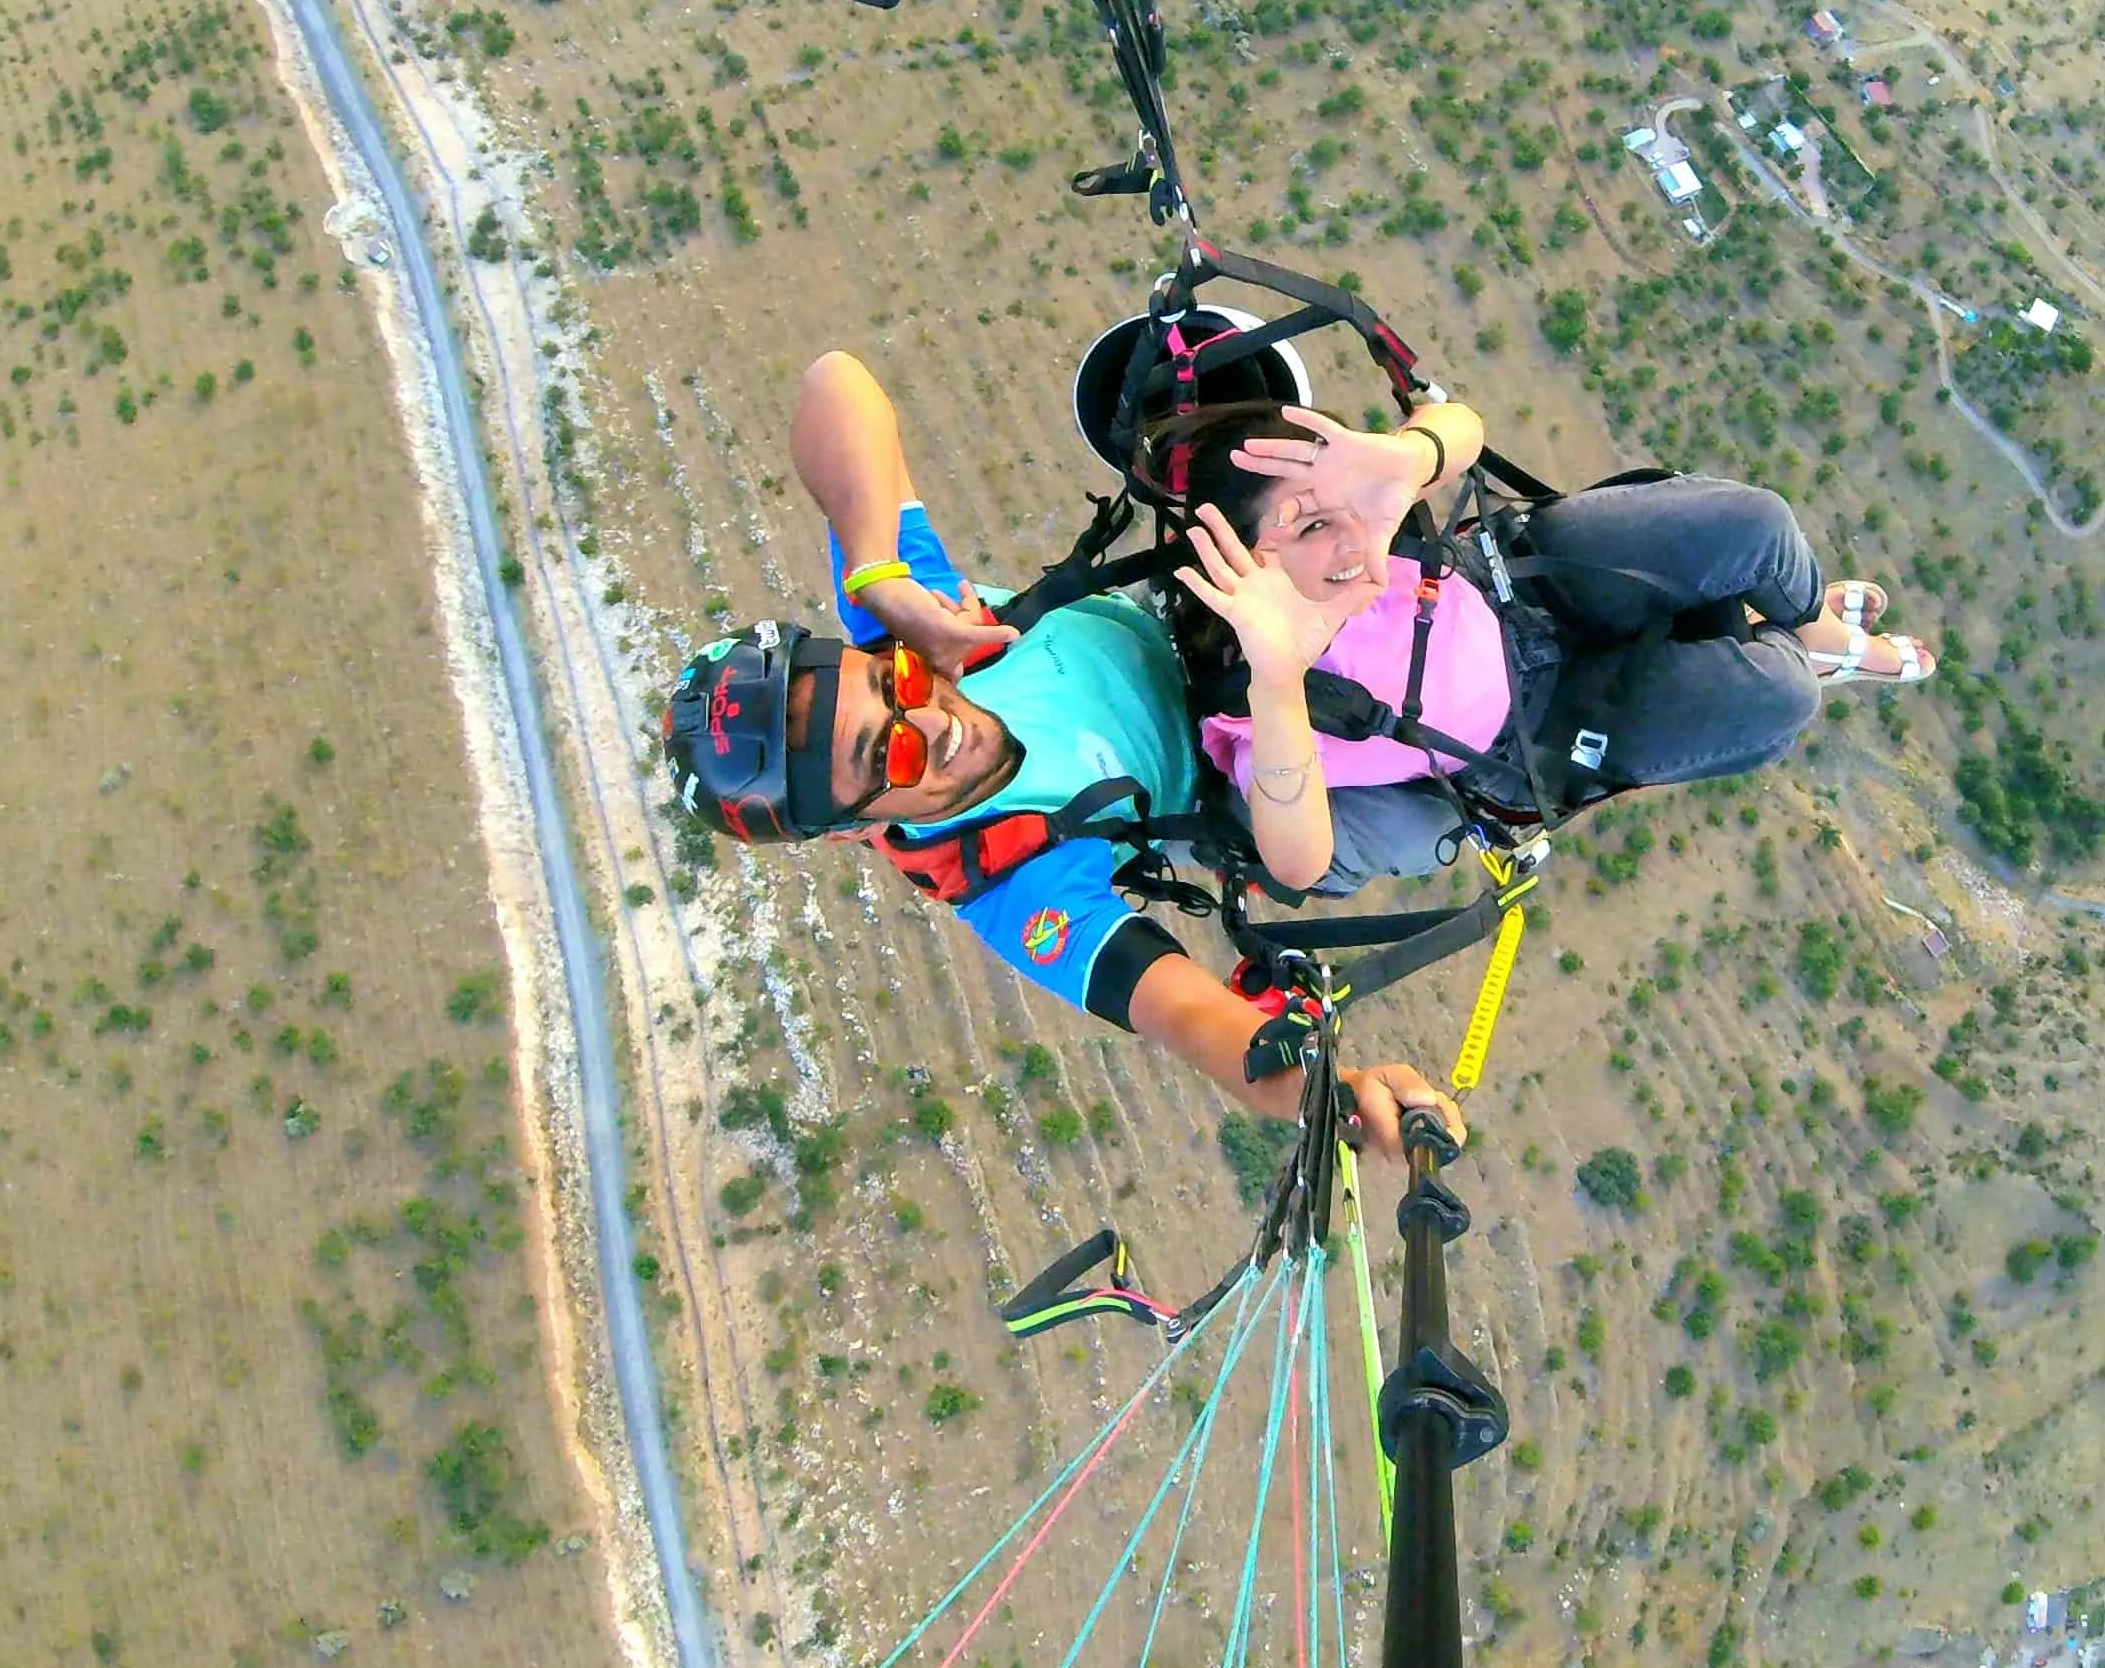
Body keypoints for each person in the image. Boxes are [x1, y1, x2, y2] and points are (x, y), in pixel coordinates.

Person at [663, 350, 1460, 1164]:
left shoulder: (923, 624)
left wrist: (876, 575)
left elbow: (834, 382)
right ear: (845, 830)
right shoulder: (1007, 878)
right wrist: (1336, 1096)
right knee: (1439, 799)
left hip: (1197, 620)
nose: (932, 720)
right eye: (891, 755)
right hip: (1256, 782)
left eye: (894, 681)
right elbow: (1187, 1018)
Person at [1161, 397, 1934, 895]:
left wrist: (1407, 459)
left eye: (1345, 509)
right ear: (1239, 564)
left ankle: (1819, 631)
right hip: (1535, 731)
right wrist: (1276, 673)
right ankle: (1813, 654)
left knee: (1758, 526)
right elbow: (1296, 860)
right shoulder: (1268, 704)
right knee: (1781, 697)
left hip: (1519, 587)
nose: (1357, 540)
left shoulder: (1368, 523)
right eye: (1311, 526)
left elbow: (1461, 422)